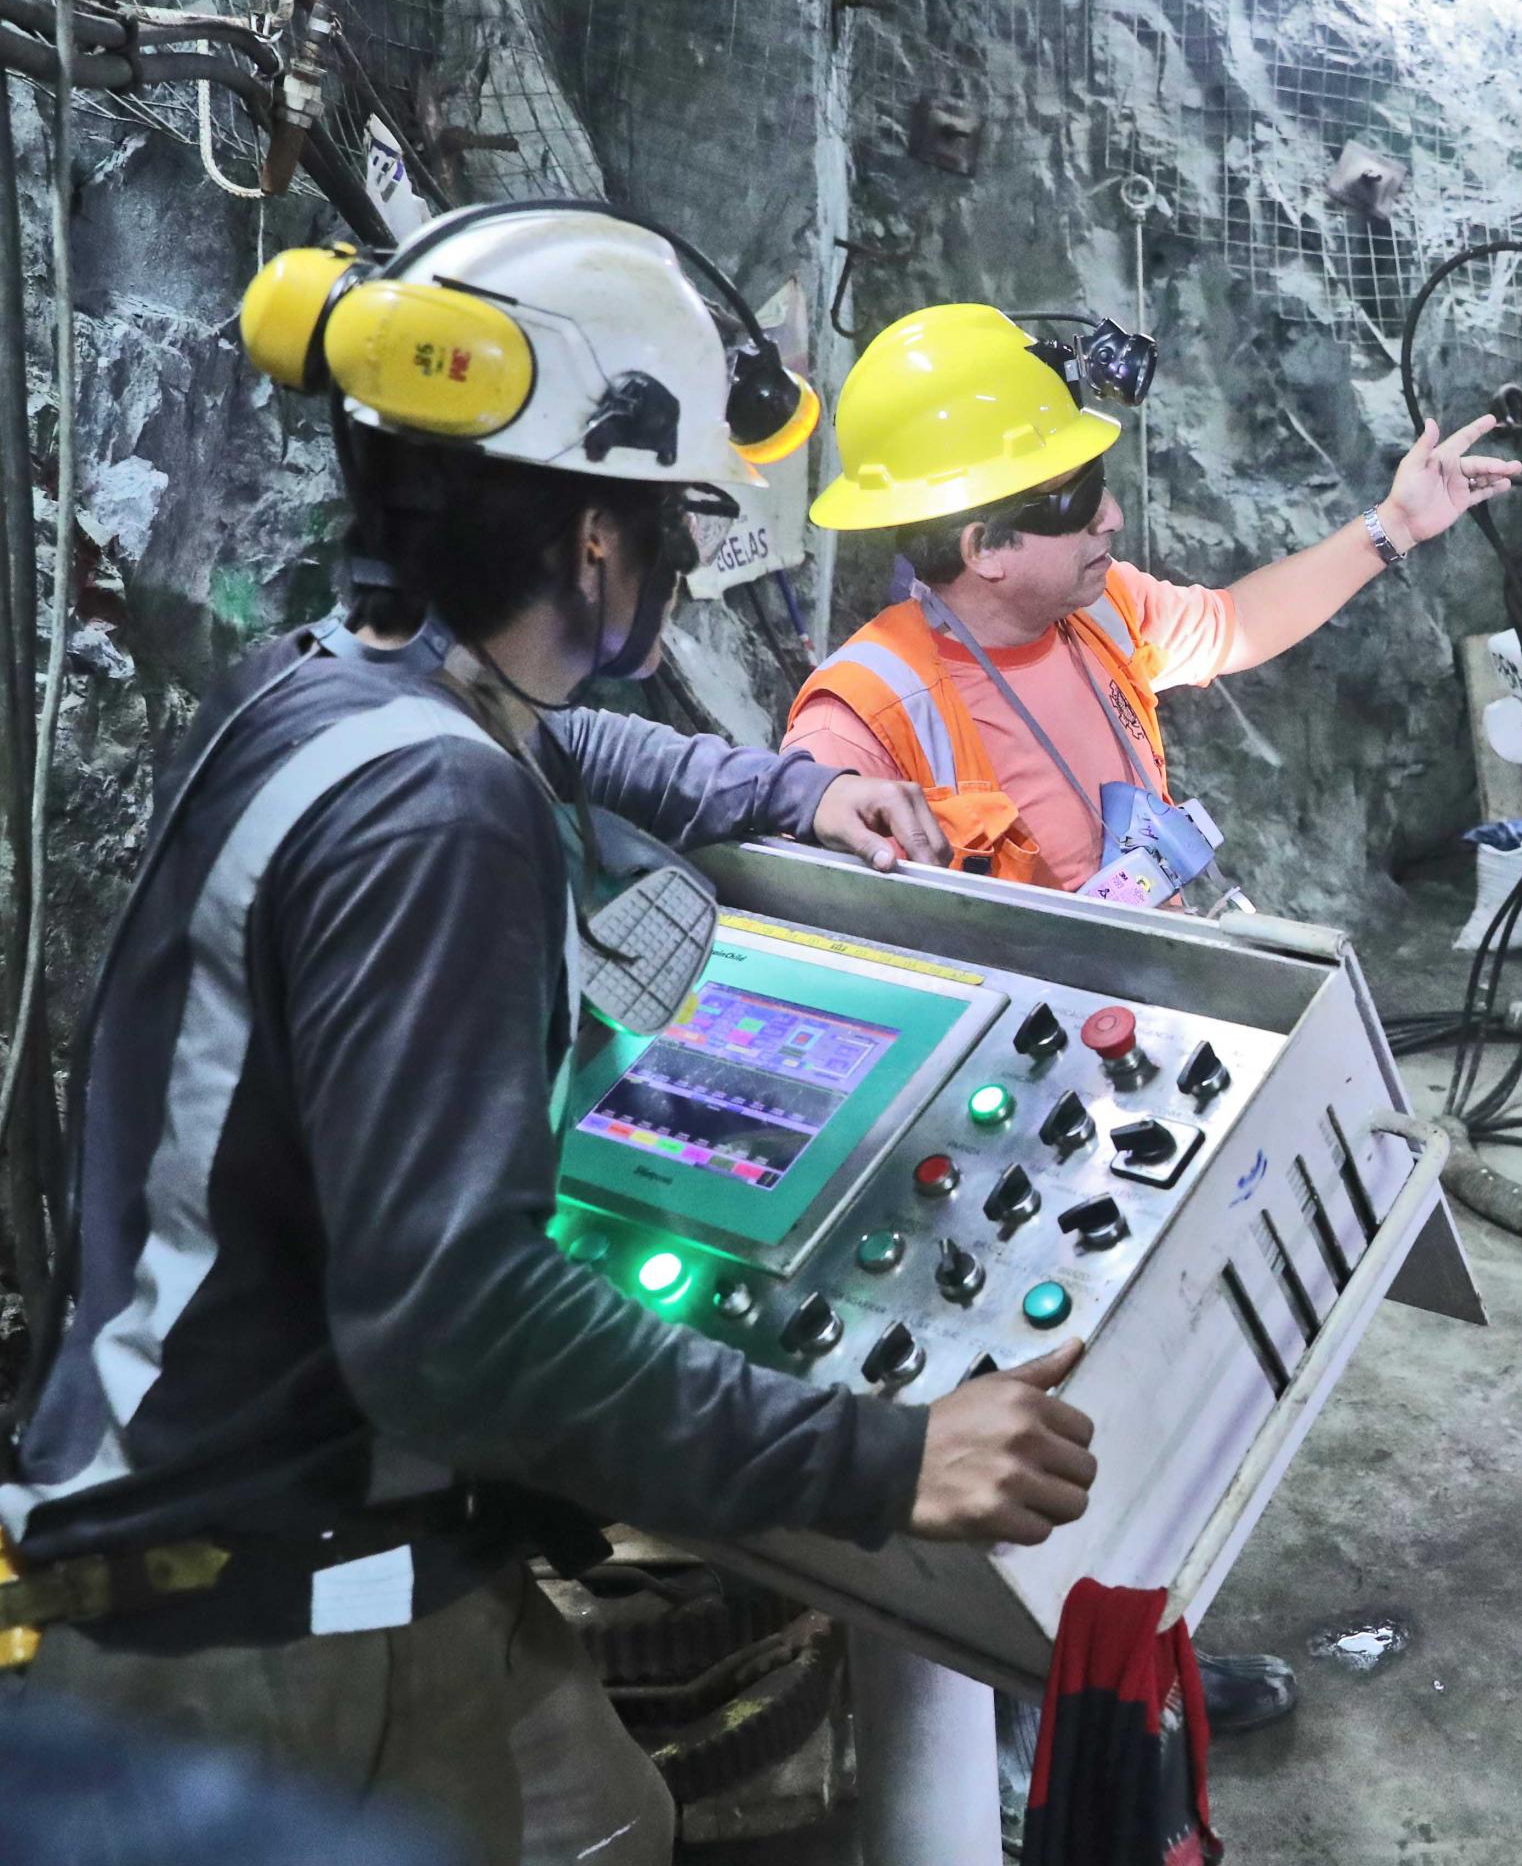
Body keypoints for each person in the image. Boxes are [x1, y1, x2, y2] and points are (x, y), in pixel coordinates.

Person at [0, 204, 1097, 1865]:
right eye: (667, 522)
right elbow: (457, 1321)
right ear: (597, 538)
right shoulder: (439, 818)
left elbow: (560, 740)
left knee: (610, 1818)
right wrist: (885, 1457)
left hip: (221, 1523)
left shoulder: (326, 686)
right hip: (265, 1620)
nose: (666, 559)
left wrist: (783, 789)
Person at [784, 302, 1521, 901]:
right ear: (982, 549)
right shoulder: (864, 715)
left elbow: (1238, 624)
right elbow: (815, 891)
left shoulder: (1098, 610)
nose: (1111, 519)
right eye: (1077, 500)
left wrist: (1396, 525)